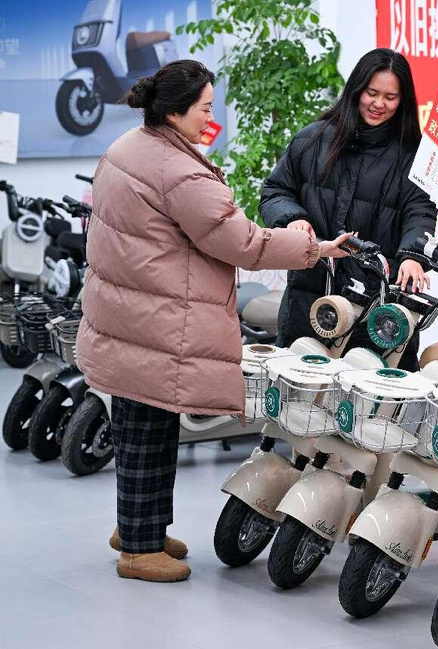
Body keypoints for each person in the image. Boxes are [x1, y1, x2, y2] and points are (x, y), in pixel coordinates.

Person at [75, 60, 351, 583]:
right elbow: (240, 241)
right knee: (148, 431)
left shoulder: (130, 148)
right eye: (204, 107)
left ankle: (140, 528)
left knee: (144, 426)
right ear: (176, 112)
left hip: (132, 314)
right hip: (155, 320)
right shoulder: (176, 170)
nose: (210, 116)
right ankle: (137, 547)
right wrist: (313, 248)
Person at [260, 48, 438, 369]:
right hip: (311, 298)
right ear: (356, 89)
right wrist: (294, 218)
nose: (378, 103)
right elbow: (276, 191)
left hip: (380, 308)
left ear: (404, 100)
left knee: (376, 407)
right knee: (305, 402)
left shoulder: (415, 155)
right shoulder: (312, 140)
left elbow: (422, 210)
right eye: (371, 93)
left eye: (390, 96)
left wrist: (414, 255)